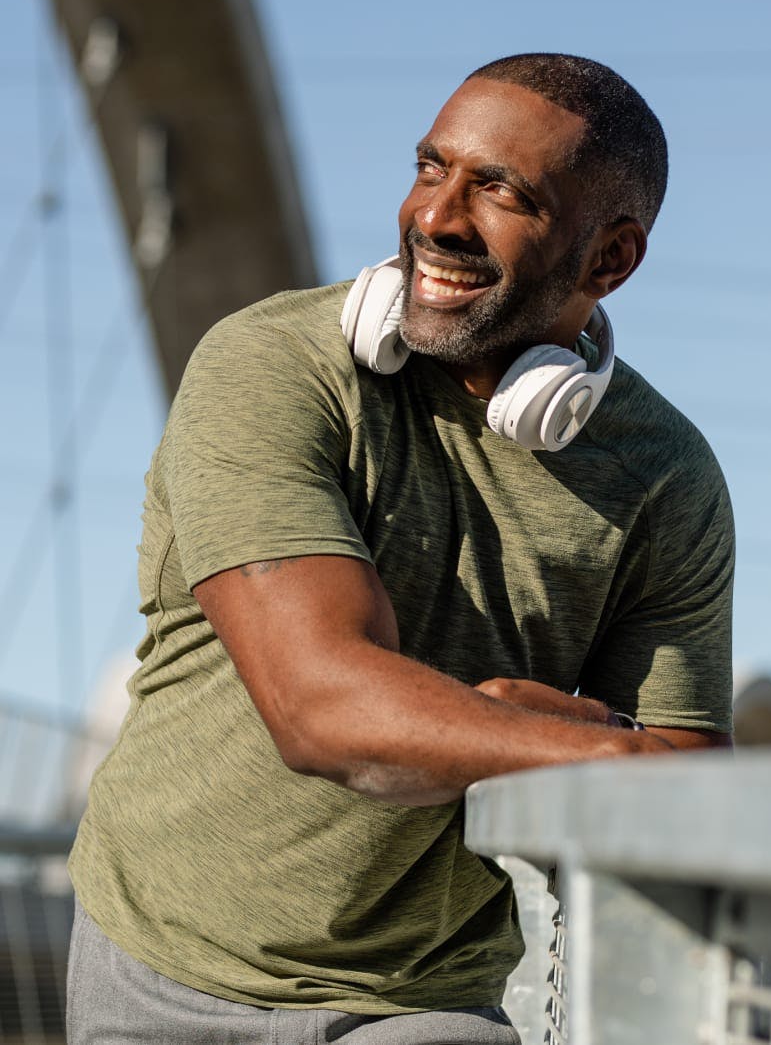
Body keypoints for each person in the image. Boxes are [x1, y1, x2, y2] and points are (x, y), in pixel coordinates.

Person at [67, 53, 734, 1044]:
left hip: (417, 999)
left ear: (610, 260)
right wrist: (562, 742)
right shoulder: (272, 366)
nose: (435, 217)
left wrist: (553, 747)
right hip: (160, 966)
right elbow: (324, 708)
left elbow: (682, 778)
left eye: (501, 192)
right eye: (432, 169)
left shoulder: (666, 477)